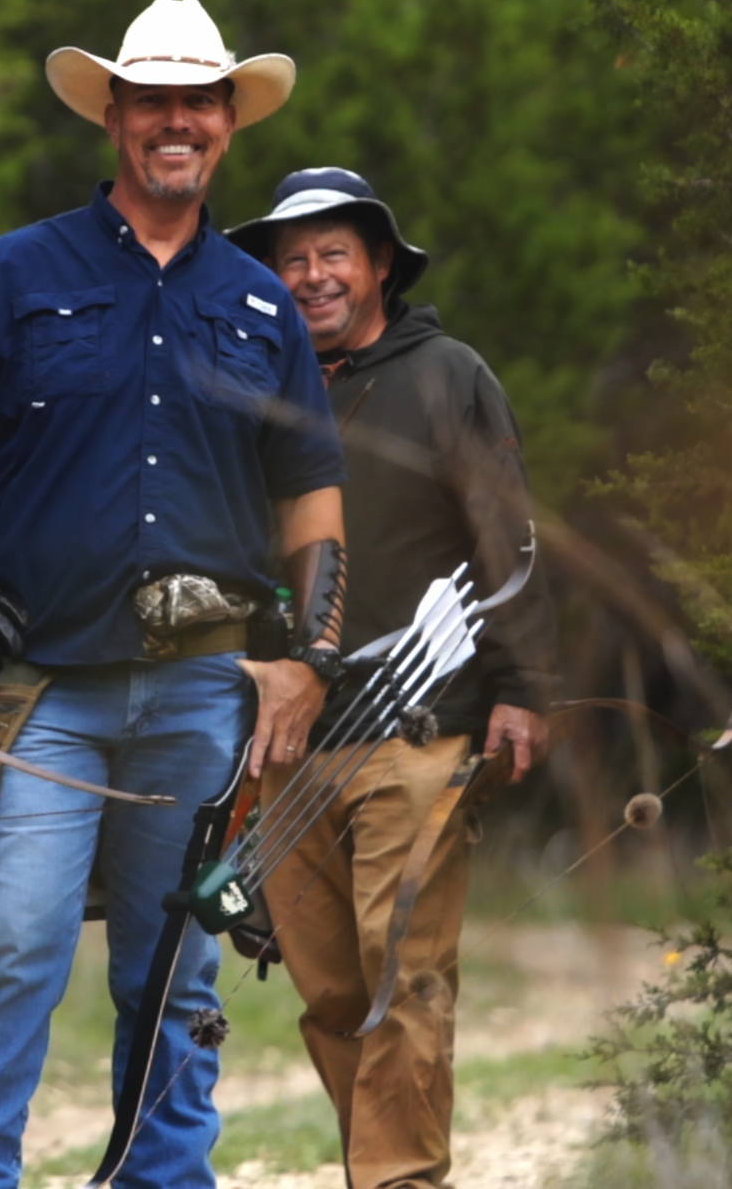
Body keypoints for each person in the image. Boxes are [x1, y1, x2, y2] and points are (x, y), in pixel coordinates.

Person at [0, 0, 350, 1189]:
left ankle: (164, 1177)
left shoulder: (262, 303)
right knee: (10, 939)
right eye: (152, 99)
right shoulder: (17, 271)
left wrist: (310, 655)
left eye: (198, 102)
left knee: (175, 959)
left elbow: (310, 495)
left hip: (205, 689)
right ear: (112, 115)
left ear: (227, 122)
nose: (176, 121)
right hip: (36, 685)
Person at [226, 166, 557, 1189]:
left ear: (377, 265)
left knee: (401, 979)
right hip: (284, 740)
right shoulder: (258, 387)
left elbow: (508, 537)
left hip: (420, 731)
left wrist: (523, 685)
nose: (312, 275)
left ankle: (398, 1180)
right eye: (292, 260)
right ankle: (382, 1166)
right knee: (328, 989)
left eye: (333, 253)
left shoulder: (448, 373)